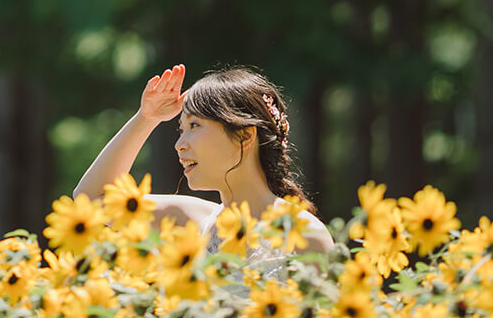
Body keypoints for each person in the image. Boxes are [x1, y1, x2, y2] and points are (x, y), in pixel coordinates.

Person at [75, 64, 331, 271]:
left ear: (244, 136)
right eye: (180, 129)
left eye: (194, 126)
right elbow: (89, 201)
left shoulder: (306, 236)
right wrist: (146, 119)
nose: (179, 144)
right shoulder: (188, 219)